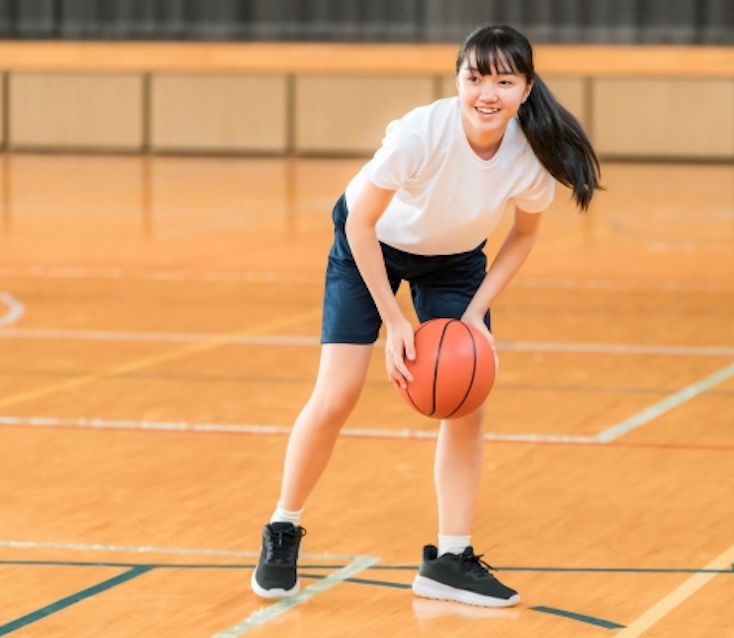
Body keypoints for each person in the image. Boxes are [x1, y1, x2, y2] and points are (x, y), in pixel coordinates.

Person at [251, 23, 600, 608]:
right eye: (475, 78)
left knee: (468, 402)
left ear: (526, 89)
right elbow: (360, 223)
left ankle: (450, 560)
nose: (487, 93)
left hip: (456, 261)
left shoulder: (530, 158)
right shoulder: (421, 133)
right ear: (457, 80)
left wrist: (475, 316)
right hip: (370, 244)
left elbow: (522, 235)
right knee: (336, 394)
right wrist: (395, 323)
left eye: (504, 82)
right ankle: (283, 527)